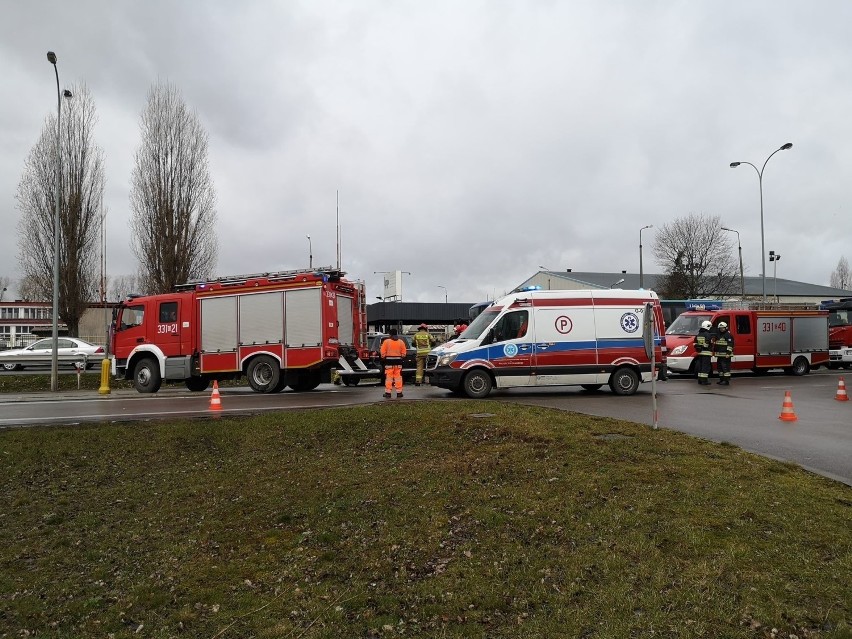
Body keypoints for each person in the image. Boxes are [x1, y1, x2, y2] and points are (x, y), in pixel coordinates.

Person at [380, 327, 407, 398]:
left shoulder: (386, 342)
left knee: (389, 378)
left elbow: (382, 353)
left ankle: (388, 393)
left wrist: (384, 357)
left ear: (390, 335)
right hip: (398, 363)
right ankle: (399, 392)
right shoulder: (401, 342)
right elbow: (404, 354)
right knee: (398, 377)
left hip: (389, 363)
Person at [694, 320, 714, 385]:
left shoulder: (699, 334)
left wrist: (699, 346)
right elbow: (707, 345)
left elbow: (694, 344)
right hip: (706, 353)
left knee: (700, 366)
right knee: (706, 367)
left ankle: (700, 380)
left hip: (700, 353)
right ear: (708, 326)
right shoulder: (708, 335)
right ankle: (704, 381)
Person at [714, 321, 734, 385]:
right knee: (719, 368)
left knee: (725, 368)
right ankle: (721, 379)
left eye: (723, 328)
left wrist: (728, 353)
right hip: (719, 355)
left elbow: (730, 344)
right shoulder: (718, 334)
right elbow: (716, 344)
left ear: (726, 328)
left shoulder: (728, 335)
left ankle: (726, 381)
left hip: (726, 355)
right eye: (720, 328)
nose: (721, 329)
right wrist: (715, 352)